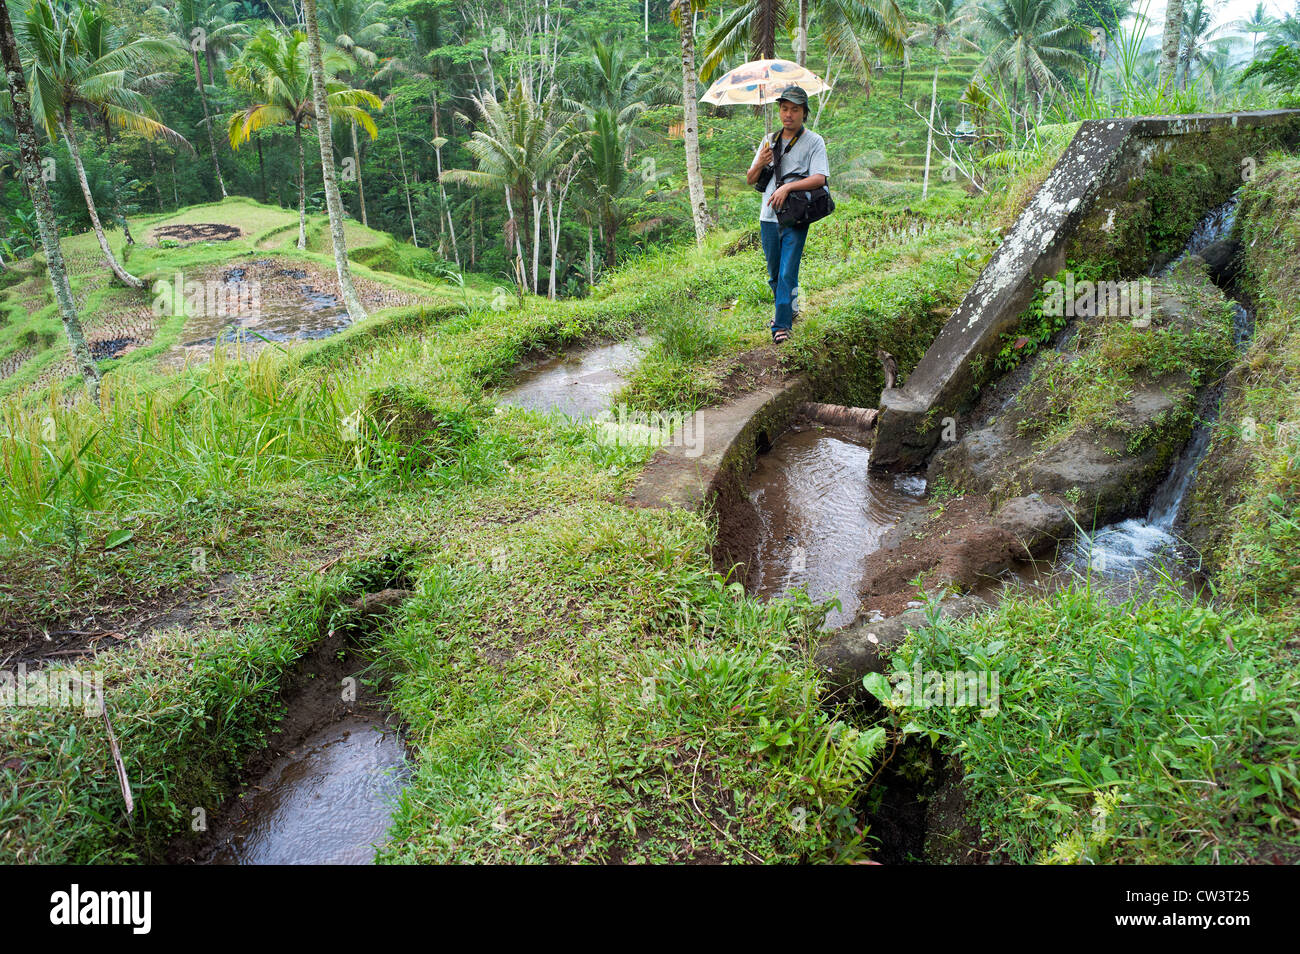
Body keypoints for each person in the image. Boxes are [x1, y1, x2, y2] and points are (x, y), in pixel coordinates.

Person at [745, 85, 829, 345]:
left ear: (804, 113)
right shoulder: (769, 140)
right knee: (773, 273)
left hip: (795, 216)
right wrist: (760, 161)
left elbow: (820, 177)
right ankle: (790, 308)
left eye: (795, 109)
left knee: (787, 272)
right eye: (784, 109)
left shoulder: (814, 141)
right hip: (768, 217)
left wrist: (789, 186)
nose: (788, 114)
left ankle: (781, 325)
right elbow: (750, 179)